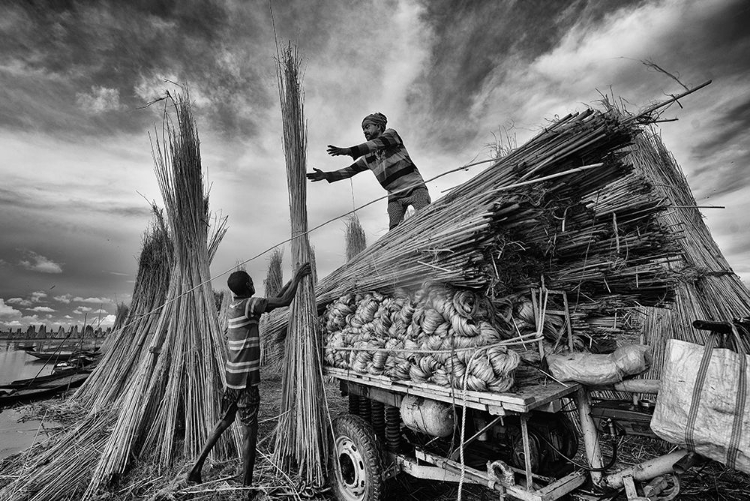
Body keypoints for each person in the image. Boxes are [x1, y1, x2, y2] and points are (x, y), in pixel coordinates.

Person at [186, 262, 312, 492]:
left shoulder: (236, 307)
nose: (254, 284)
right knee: (249, 432)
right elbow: (283, 302)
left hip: (232, 379)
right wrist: (300, 278)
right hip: (246, 382)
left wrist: (292, 280)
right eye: (251, 282)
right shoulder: (250, 305)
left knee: (224, 421)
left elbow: (273, 301)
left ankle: (195, 469)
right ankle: (247, 485)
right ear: (247, 286)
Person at [307, 112, 431, 230]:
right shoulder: (368, 158)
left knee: (427, 221)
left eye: (367, 127)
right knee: (394, 231)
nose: (365, 131)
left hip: (415, 188)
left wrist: (349, 151)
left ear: (378, 126)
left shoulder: (391, 135)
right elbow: (350, 170)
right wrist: (326, 175)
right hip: (395, 196)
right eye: (363, 130)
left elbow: (376, 144)